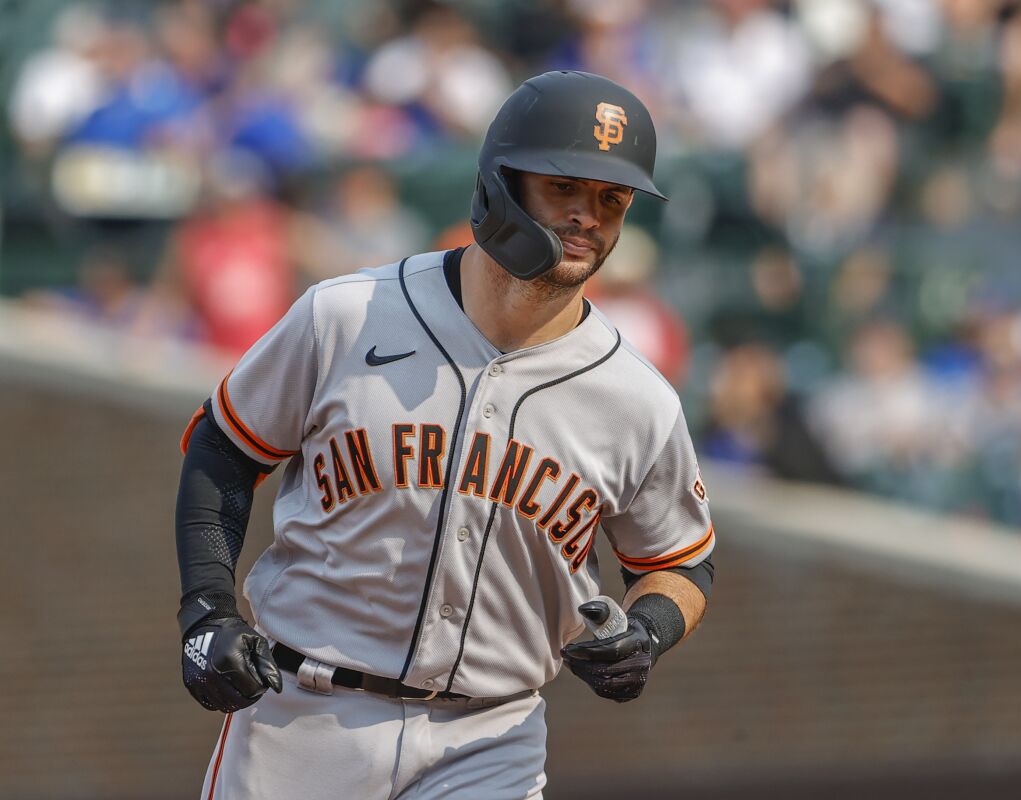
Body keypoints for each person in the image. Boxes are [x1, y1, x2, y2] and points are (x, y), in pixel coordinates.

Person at [173, 70, 715, 799]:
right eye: (565, 189)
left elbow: (682, 562)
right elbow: (222, 451)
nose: (589, 216)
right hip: (302, 717)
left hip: (489, 740)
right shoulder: (346, 315)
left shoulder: (637, 398)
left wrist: (649, 630)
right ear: (500, 183)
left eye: (611, 200)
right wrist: (207, 609)